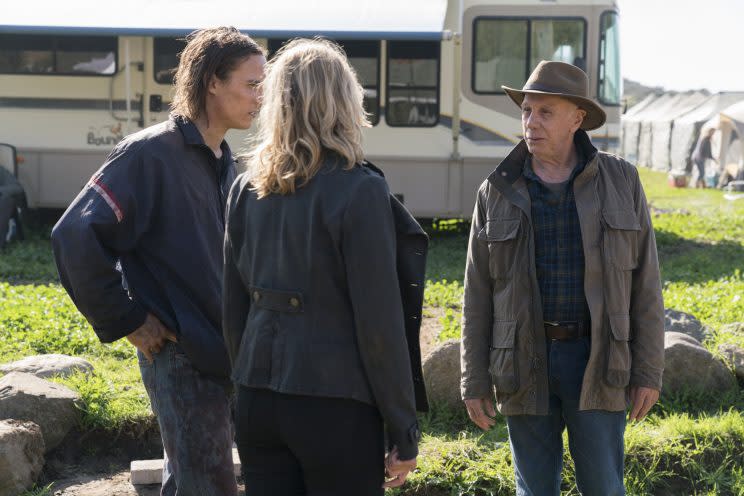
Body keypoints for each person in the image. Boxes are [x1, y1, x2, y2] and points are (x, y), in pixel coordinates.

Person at [51, 27, 266, 496]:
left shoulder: (225, 160)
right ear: (212, 81)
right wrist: (127, 318)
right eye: (251, 84)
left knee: (193, 483)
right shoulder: (150, 153)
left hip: (223, 355)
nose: (261, 96)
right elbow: (74, 235)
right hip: (180, 357)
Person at [223, 38, 426, 496]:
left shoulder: (245, 188)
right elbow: (379, 325)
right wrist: (403, 426)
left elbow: (232, 308)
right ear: (344, 100)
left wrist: (243, 385)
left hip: (257, 398)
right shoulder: (360, 190)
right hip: (335, 407)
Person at [460, 60, 665, 496]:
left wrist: (648, 369)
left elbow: (646, 284)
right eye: (526, 111)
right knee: (533, 490)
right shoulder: (496, 189)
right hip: (521, 360)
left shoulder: (621, 180)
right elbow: (476, 295)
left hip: (599, 360)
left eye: (545, 112)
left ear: (577, 118)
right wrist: (473, 379)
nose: (531, 122)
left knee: (604, 488)